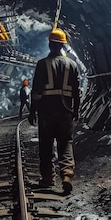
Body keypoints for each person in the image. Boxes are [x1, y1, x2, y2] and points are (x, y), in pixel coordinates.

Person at [28, 27, 80, 194]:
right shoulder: (72, 65)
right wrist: (76, 110)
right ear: (63, 46)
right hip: (65, 112)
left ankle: (48, 178)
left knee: (46, 145)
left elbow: (36, 92)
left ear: (50, 45)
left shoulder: (42, 64)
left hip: (46, 112)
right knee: (66, 143)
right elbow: (76, 92)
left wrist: (32, 111)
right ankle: (66, 175)